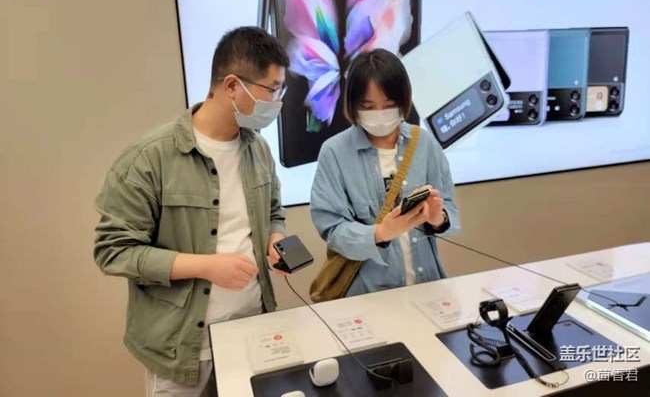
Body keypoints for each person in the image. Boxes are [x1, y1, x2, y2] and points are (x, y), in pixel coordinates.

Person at [94, 26, 289, 396]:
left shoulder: (258, 150)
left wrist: (275, 237)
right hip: (182, 349)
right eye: (272, 89)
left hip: (252, 332)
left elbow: (274, 211)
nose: (278, 101)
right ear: (232, 86)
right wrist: (206, 266)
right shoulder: (150, 158)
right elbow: (113, 251)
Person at [310, 48, 460, 297]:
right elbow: (332, 229)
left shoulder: (424, 143)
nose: (379, 115)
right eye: (368, 106)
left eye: (389, 105)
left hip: (427, 286)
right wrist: (380, 233)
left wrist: (439, 219)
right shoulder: (335, 152)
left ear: (403, 102)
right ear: (353, 105)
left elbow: (450, 207)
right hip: (369, 294)